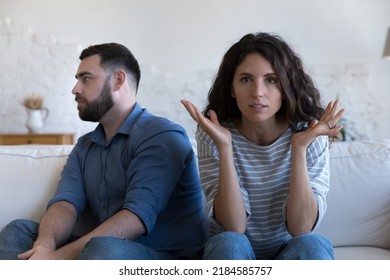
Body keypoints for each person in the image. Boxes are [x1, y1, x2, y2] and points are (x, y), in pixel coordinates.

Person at [0, 43, 207, 260]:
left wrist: (55, 260)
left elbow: (136, 217)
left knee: (104, 249)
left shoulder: (161, 136)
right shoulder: (85, 146)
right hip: (99, 253)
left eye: (86, 78)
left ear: (118, 80)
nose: (75, 89)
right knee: (19, 232)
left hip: (165, 259)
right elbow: (65, 204)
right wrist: (44, 247)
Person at [181, 32, 344, 260]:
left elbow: (302, 228)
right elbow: (233, 226)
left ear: (286, 86)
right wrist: (225, 147)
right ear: (232, 88)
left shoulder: (309, 133)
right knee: (230, 242)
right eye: (246, 79)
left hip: (287, 252)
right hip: (233, 252)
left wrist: (298, 149)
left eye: (271, 80)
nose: (258, 92)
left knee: (312, 245)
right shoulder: (215, 133)